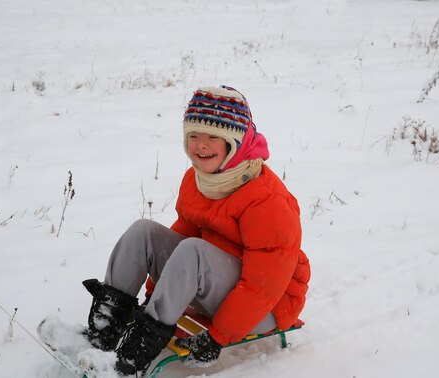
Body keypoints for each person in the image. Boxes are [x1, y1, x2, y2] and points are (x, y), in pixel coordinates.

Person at [56, 85, 310, 376]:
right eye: (193, 136)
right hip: (218, 285)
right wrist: (156, 294)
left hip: (265, 307)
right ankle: (104, 329)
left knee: (194, 252)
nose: (201, 145)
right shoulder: (199, 179)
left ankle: (131, 358)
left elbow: (263, 286)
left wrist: (217, 337)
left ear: (236, 143)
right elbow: (182, 235)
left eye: (213, 136)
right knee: (144, 231)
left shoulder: (267, 200)